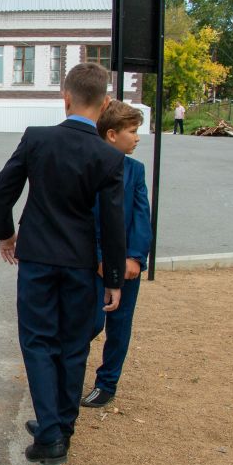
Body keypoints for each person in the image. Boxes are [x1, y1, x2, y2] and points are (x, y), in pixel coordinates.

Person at [0, 62, 126, 465]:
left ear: (65, 98)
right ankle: (61, 424)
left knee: (37, 342)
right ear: (103, 106)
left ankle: (51, 432)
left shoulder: (37, 139)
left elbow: (3, 189)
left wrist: (6, 233)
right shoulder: (108, 157)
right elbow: (113, 223)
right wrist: (114, 278)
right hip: (81, 264)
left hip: (36, 259)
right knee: (73, 345)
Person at [80, 101, 152, 409]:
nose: (137, 138)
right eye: (133, 132)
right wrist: (99, 257)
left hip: (126, 265)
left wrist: (134, 258)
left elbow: (141, 215)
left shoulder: (135, 170)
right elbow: (89, 217)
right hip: (94, 264)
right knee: (89, 322)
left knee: (120, 325)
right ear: (112, 134)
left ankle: (107, 383)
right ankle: (70, 375)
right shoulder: (91, 168)